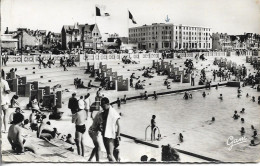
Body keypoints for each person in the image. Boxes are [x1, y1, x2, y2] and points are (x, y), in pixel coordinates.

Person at [100, 97, 121, 161]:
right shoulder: (104, 112)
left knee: (110, 155)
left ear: (108, 104)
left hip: (110, 136)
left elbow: (118, 125)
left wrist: (118, 135)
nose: (102, 107)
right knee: (108, 154)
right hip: (104, 134)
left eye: (103, 106)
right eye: (101, 106)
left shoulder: (113, 112)